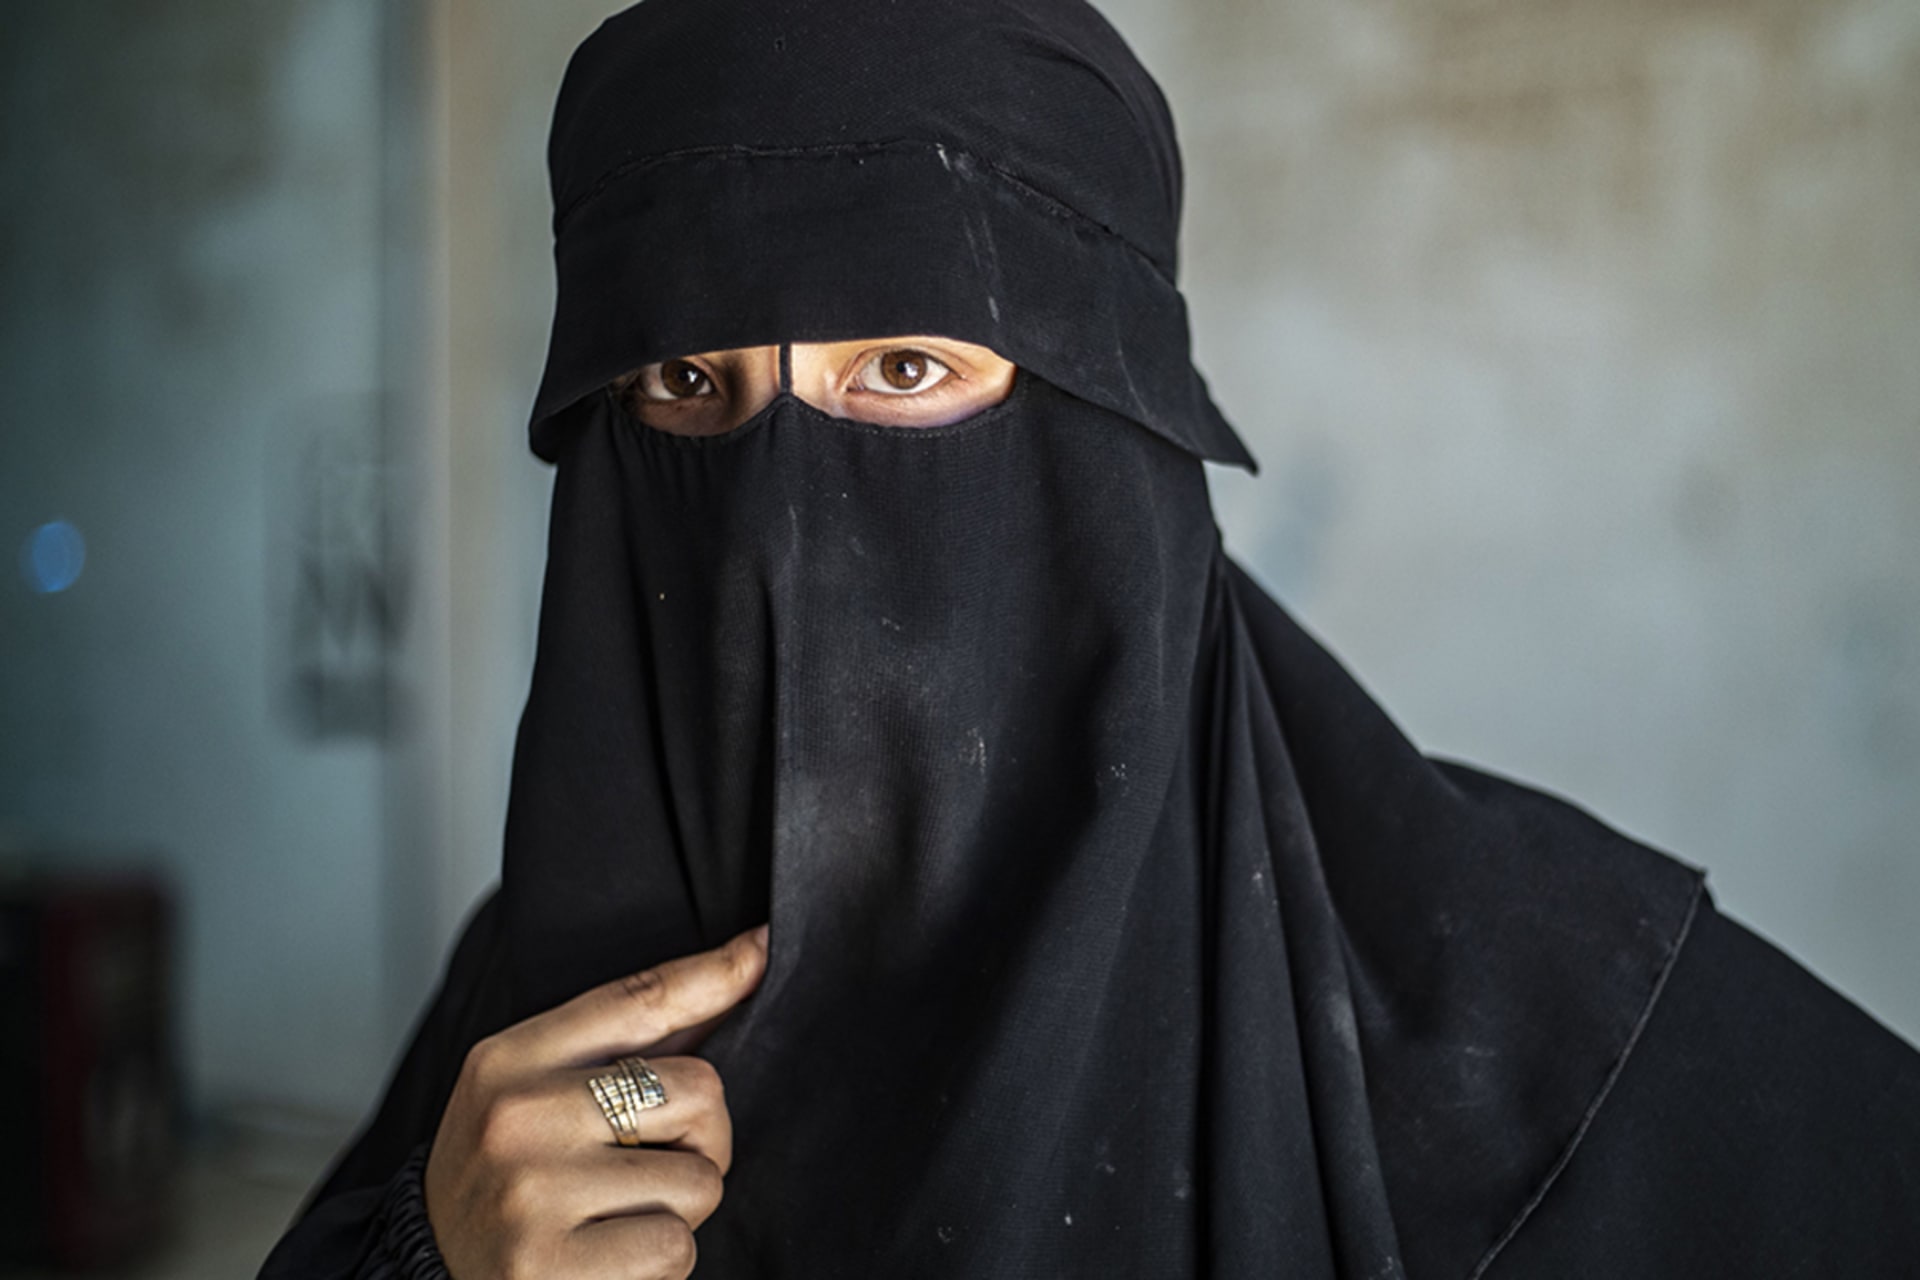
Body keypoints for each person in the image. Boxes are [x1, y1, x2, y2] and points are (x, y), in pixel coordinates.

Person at [260, 0, 1920, 1276]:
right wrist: (429, 1254)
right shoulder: (540, 1020)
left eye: (903, 371)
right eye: (689, 387)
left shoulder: (1527, 1024)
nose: (785, 517)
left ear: (1104, 440)